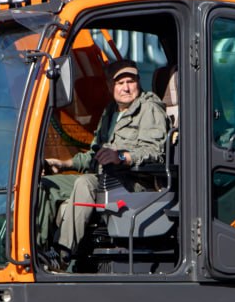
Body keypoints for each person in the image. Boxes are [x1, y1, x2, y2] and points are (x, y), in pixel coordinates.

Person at [40, 58, 168, 268]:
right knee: (47, 186)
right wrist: (63, 164)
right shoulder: (111, 112)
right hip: (104, 179)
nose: (126, 88)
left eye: (131, 81)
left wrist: (121, 157)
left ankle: (62, 256)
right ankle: (40, 252)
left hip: (132, 182)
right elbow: (94, 154)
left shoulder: (149, 108)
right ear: (110, 86)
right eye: (120, 83)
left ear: (138, 82)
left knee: (85, 184)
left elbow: (155, 152)